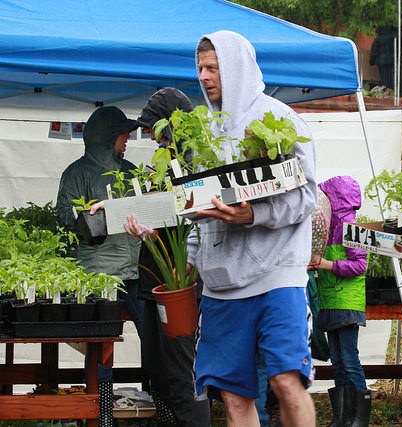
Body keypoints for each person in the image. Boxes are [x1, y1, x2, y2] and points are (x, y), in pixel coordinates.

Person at [187, 30, 317, 427]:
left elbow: (306, 196)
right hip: (222, 285)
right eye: (200, 69)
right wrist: (184, 250)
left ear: (235, 68)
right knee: (232, 395)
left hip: (277, 276)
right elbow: (197, 205)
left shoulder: (278, 121)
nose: (204, 76)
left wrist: (253, 215)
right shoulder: (201, 133)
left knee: (285, 380)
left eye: (213, 68)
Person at [122, 87, 211, 426]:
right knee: (157, 371)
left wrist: (168, 247)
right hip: (154, 281)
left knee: (181, 374)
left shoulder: (196, 163)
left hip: (180, 286)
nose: (151, 138)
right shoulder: (165, 164)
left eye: (154, 130)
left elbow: (198, 228)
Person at [56, 106, 143, 427]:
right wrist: (93, 219)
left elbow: (145, 209)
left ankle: (156, 404)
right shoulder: (77, 173)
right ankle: (101, 411)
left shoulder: (131, 171)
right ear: (108, 136)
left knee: (155, 340)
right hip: (98, 274)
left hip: (134, 271)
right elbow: (64, 215)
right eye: (123, 133)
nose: (128, 139)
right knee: (101, 348)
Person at [315, 176, 370, 426]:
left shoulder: (352, 226)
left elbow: (360, 264)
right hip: (330, 298)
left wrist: (326, 264)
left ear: (336, 199)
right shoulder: (328, 226)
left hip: (347, 300)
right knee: (337, 360)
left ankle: (358, 419)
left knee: (349, 358)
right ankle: (342, 418)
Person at [369, 24, 394, 90]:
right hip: (391, 60)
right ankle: (391, 91)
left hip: (381, 61)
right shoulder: (392, 37)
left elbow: (374, 51)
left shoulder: (378, 38)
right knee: (391, 78)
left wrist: (372, 62)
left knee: (384, 78)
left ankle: (385, 91)